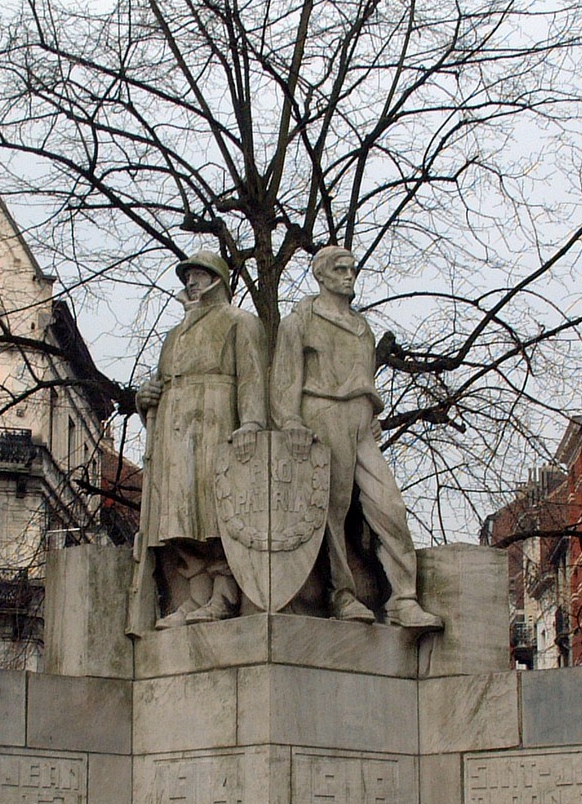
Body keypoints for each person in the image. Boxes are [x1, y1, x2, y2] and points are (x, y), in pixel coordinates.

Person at [271, 246, 442, 631]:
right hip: (321, 414)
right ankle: (341, 593)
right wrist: (290, 420)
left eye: (352, 269)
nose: (349, 276)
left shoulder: (362, 327)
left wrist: (370, 410)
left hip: (361, 423)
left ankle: (404, 598)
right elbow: (284, 379)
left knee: (389, 505)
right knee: (331, 507)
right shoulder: (300, 320)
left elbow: (364, 380)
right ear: (321, 275)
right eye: (340, 269)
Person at [129, 252, 266, 633]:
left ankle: (224, 594)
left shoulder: (241, 322)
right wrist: (147, 397)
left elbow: (253, 377)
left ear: (218, 279)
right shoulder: (174, 335)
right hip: (176, 431)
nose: (191, 282)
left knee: (216, 514)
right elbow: (161, 382)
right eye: (187, 276)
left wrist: (252, 422)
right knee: (180, 516)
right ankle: (197, 593)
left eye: (199, 275)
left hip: (217, 423)